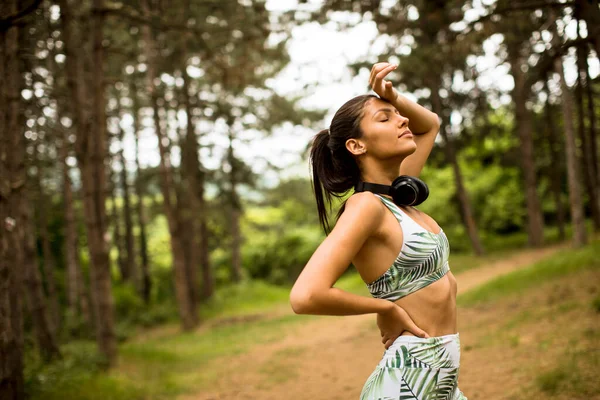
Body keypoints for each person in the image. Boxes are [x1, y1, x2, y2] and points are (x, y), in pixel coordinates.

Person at [289, 62, 468, 399]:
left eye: (397, 115)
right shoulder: (367, 207)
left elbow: (429, 125)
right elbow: (304, 295)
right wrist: (384, 308)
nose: (402, 119)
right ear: (357, 146)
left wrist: (393, 97)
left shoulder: (399, 194)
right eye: (385, 118)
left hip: (439, 382)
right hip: (408, 382)